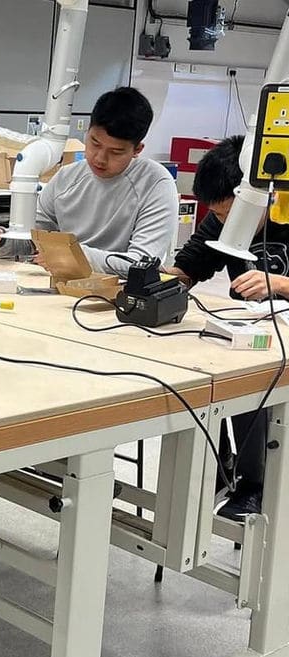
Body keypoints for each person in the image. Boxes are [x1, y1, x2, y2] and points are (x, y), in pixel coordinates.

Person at [164, 135, 285, 518]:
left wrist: (281, 284)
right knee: (195, 373)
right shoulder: (222, 219)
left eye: (231, 215)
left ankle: (256, 485)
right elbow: (191, 263)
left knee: (254, 387)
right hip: (254, 333)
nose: (222, 223)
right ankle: (219, 465)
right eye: (217, 215)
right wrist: (161, 285)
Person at [0, 87, 179, 277]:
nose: (99, 158)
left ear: (137, 150)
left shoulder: (155, 184)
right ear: (87, 132)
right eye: (94, 143)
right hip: (61, 290)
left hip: (120, 298)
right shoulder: (66, 178)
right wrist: (0, 239)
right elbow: (32, 241)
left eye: (115, 152)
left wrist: (70, 254)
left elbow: (141, 264)